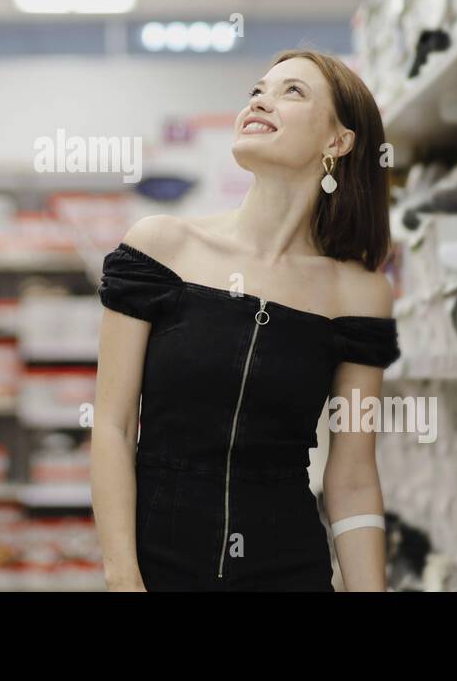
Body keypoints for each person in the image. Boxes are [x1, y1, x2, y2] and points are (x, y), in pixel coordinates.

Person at [91, 48, 399, 591]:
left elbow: (352, 476)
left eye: (293, 92)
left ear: (338, 142)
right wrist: (122, 578)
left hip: (289, 570)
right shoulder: (161, 251)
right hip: (160, 568)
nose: (261, 100)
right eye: (258, 90)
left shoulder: (359, 294)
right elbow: (113, 426)